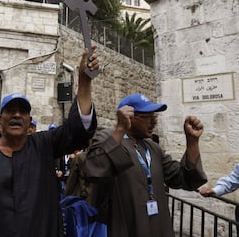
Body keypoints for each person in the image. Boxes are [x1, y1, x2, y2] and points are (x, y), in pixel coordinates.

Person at [0, 47, 99, 237]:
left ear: (29, 119)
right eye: (11, 111)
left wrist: (84, 81)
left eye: (22, 111)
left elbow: (78, 130)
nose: (16, 115)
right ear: (0, 119)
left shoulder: (44, 145)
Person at [85, 93, 208, 237]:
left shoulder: (152, 148)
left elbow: (184, 178)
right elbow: (95, 167)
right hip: (123, 228)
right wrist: (120, 129)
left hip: (158, 227)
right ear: (130, 118)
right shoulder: (106, 137)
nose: (153, 123)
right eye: (149, 117)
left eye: (154, 117)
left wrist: (192, 142)